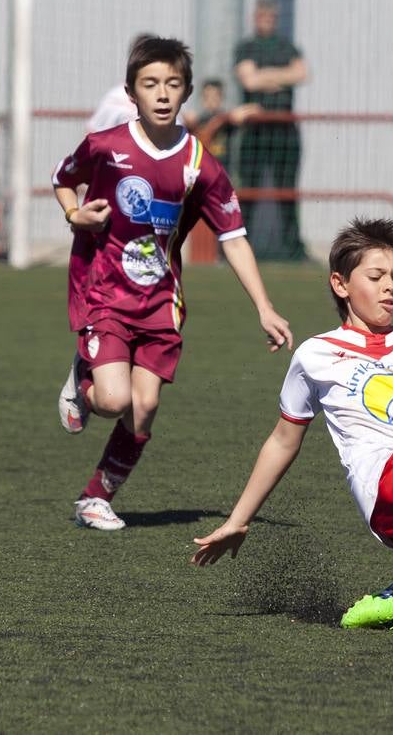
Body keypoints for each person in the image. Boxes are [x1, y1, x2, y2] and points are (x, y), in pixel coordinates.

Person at [191, 218, 393, 649]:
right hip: (385, 478)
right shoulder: (315, 354)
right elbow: (283, 440)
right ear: (340, 284)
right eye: (376, 276)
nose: (390, 288)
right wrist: (238, 520)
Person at [53, 36, 294, 531]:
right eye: (150, 84)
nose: (161, 94)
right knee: (115, 400)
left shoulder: (199, 164)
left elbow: (234, 237)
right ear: (131, 91)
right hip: (106, 292)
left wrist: (265, 308)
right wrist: (76, 215)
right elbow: (62, 178)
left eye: (172, 84)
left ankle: (95, 498)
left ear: (185, 92)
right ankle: (84, 378)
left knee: (143, 410)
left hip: (162, 301)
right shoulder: (107, 146)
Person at [233, 0, 310, 262]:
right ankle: (242, 248)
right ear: (255, 18)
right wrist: (281, 76)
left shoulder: (286, 47)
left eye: (271, 16)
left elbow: (302, 74)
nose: (266, 20)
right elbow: (249, 81)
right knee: (248, 191)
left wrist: (265, 75)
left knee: (287, 191)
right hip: (255, 133)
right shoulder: (247, 47)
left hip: (284, 131)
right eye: (262, 16)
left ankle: (293, 249)